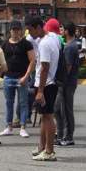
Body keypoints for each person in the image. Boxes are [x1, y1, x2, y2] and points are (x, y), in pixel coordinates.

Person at [29, 16, 61, 161]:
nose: (30, 33)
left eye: (30, 29)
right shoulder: (51, 39)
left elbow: (44, 67)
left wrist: (40, 91)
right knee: (44, 117)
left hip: (46, 84)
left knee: (48, 117)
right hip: (48, 83)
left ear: (38, 27)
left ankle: (49, 151)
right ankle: (43, 148)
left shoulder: (45, 43)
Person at [0, 20, 35, 138]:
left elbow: (33, 61)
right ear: (10, 31)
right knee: (9, 103)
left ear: (21, 31)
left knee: (23, 103)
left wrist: (26, 76)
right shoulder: (4, 44)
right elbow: (0, 61)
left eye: (18, 29)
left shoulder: (26, 44)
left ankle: (23, 127)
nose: (16, 32)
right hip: (8, 77)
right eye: (13, 29)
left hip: (22, 77)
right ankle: (8, 127)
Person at [55, 21, 80, 146]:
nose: (61, 31)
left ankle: (68, 136)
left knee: (66, 109)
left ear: (67, 31)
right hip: (67, 82)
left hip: (67, 83)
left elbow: (68, 67)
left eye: (63, 29)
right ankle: (61, 134)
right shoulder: (70, 44)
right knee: (60, 109)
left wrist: (61, 81)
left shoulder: (70, 47)